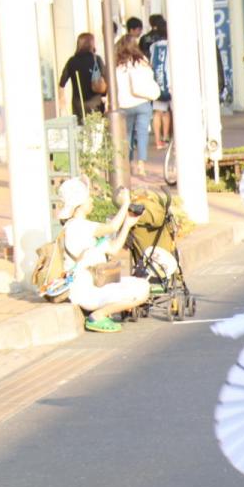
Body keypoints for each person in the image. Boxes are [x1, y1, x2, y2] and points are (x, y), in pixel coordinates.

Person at [55, 178, 150, 333]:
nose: (91, 200)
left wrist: (127, 223)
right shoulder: (77, 226)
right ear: (80, 204)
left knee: (142, 285)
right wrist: (125, 203)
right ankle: (98, 316)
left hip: (97, 285)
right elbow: (112, 227)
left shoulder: (84, 227)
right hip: (85, 291)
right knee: (139, 290)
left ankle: (100, 312)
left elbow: (113, 248)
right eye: (88, 198)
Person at [113, 35, 158, 178]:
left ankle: (129, 163)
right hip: (142, 102)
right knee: (142, 133)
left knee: (127, 135)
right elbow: (151, 77)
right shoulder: (142, 61)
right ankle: (141, 164)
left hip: (124, 104)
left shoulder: (118, 64)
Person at [58, 33, 106, 119]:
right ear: (91, 44)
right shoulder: (96, 59)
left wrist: (62, 100)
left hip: (78, 103)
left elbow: (62, 83)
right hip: (95, 102)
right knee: (96, 128)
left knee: (81, 129)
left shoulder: (72, 61)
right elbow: (105, 77)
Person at [148, 20, 172, 151]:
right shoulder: (172, 44)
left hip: (157, 82)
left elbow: (152, 63)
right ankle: (166, 137)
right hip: (171, 83)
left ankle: (157, 140)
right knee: (167, 112)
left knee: (157, 112)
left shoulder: (154, 46)